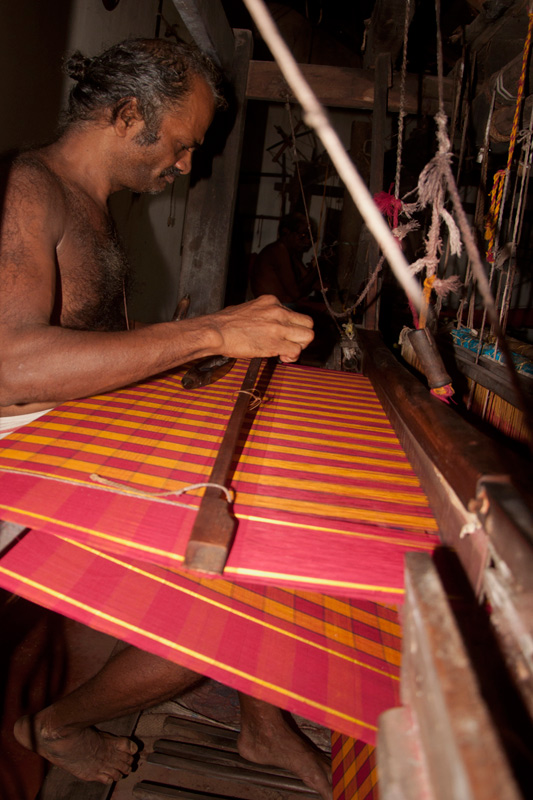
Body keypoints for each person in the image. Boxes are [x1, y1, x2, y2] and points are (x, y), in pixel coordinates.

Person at [0, 38, 331, 798]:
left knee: (261, 509)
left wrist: (182, 354)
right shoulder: (28, 189)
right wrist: (209, 333)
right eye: (181, 145)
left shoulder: (87, 204)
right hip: (18, 460)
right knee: (235, 598)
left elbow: (81, 346)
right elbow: (10, 366)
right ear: (127, 115)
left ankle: (262, 724)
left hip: (66, 435)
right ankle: (56, 725)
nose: (184, 166)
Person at [250, 212, 319, 305]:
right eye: (302, 235)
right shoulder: (279, 250)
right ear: (286, 232)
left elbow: (314, 284)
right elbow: (296, 293)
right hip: (271, 308)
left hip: (280, 306)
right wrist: (318, 269)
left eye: (310, 237)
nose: (308, 241)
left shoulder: (292, 254)